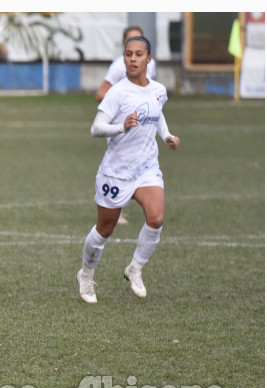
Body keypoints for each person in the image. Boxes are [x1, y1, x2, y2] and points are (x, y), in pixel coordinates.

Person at [77, 36, 180, 303]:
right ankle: (86, 275)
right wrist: (121, 127)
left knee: (156, 218)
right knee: (105, 228)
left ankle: (134, 269)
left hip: (146, 168)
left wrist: (167, 135)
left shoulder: (158, 89)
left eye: (138, 54)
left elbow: (155, 111)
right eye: (128, 54)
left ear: (149, 59)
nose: (133, 59)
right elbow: (96, 128)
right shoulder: (117, 92)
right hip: (117, 172)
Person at [95, 26, 157, 102]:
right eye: (131, 40)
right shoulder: (118, 65)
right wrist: (124, 102)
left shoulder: (150, 63)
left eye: (138, 39)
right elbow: (100, 94)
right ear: (124, 43)